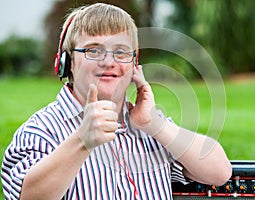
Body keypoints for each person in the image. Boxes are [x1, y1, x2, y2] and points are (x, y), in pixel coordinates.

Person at [1, 3, 232, 200]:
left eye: (121, 52)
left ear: (134, 65)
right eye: (94, 50)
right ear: (67, 63)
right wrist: (82, 141)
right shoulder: (40, 131)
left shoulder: (150, 129)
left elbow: (219, 172)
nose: (109, 62)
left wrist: (154, 124)